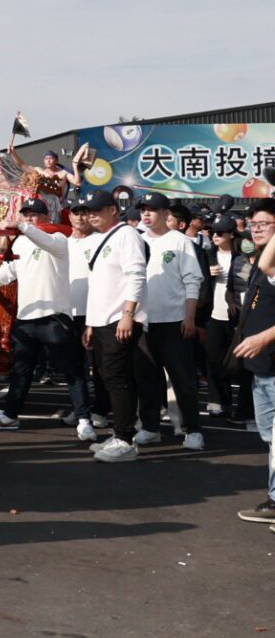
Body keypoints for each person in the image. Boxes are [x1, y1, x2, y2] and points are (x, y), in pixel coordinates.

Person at [0, 199, 93, 438]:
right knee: (21, 370)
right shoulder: (23, 243)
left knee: (72, 371)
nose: (29, 218)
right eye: (26, 214)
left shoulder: (59, 239)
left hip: (55, 319)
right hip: (27, 319)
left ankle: (83, 419)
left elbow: (44, 240)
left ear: (46, 217)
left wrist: (20, 226)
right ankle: (9, 416)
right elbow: (9, 272)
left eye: (34, 215)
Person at [70, 187, 147, 464]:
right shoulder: (103, 238)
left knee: (118, 378)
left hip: (119, 320)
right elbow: (99, 287)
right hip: (102, 321)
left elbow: (136, 275)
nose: (90, 216)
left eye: (96, 211)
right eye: (87, 212)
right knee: (107, 377)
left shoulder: (126, 235)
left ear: (113, 210)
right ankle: (120, 434)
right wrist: (91, 323)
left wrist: (129, 313)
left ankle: (125, 438)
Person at [133, 192, 206, 450]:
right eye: (143, 209)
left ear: (166, 213)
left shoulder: (180, 242)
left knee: (182, 380)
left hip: (174, 322)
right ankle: (150, 427)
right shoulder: (137, 241)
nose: (146, 214)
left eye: (152, 209)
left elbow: (192, 281)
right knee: (147, 380)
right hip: (143, 323)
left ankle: (193, 429)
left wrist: (189, 317)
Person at [229, 200, 275, 525]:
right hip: (262, 369)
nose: (255, 228)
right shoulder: (258, 262)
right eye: (253, 223)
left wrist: (263, 338)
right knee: (272, 439)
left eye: (264, 224)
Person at [203, 214, 252, 423]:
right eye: (213, 232)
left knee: (239, 364)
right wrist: (207, 272)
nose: (215, 236)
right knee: (214, 359)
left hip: (238, 316)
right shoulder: (207, 254)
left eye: (220, 233)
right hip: (213, 313)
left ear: (231, 234)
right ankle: (218, 401)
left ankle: (243, 409)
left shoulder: (243, 254)